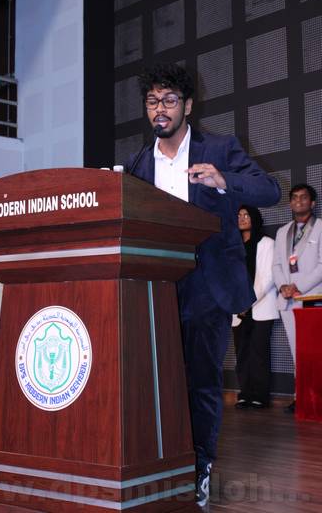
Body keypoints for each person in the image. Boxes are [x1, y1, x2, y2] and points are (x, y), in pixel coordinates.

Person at [125, 63, 281, 506]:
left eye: (169, 100)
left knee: (201, 381)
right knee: (155, 382)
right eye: (153, 101)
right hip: (155, 287)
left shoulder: (219, 148)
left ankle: (199, 466)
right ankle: (161, 463)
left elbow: (269, 190)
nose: (160, 108)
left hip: (207, 286)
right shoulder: (138, 164)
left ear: (187, 106)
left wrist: (223, 180)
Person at [272, 183, 322, 413]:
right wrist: (283, 286)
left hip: (312, 298)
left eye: (303, 197)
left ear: (313, 203)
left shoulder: (320, 227)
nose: (298, 201)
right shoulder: (283, 232)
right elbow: (277, 265)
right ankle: (301, 396)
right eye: (294, 197)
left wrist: (297, 286)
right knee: (297, 351)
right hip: (288, 300)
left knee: (316, 351)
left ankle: (316, 397)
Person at [232, 206, 279, 410]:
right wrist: (237, 303)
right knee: (242, 353)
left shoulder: (268, 243)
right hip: (237, 309)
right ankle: (245, 393)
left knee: (259, 353)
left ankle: (260, 395)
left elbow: (268, 278)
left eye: (246, 215)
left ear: (254, 218)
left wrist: (247, 302)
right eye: (239, 216)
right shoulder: (232, 246)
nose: (242, 219)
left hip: (261, 306)